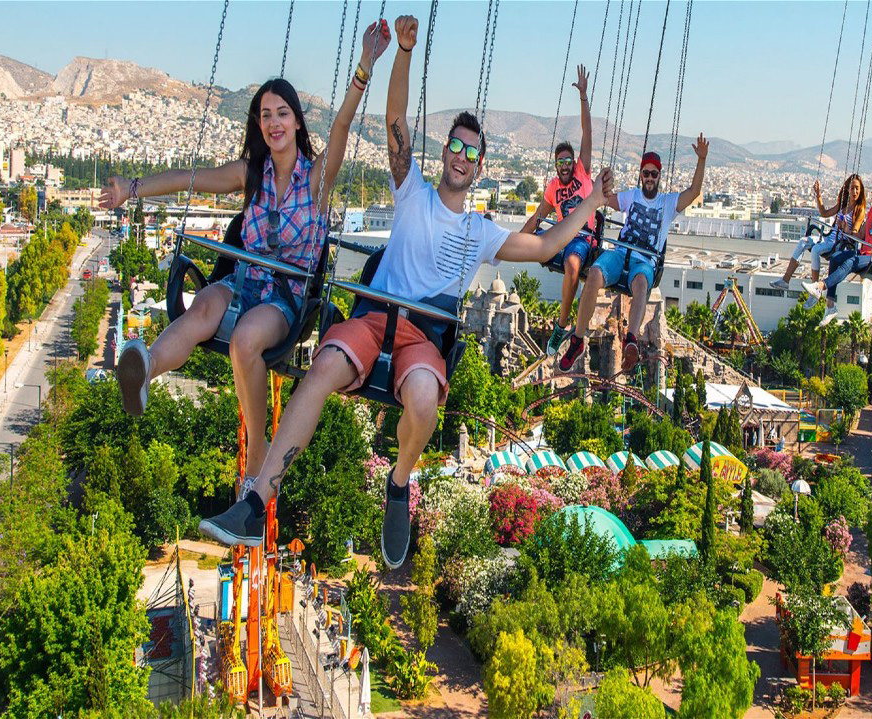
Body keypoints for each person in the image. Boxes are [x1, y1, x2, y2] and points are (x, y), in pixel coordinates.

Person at [198, 15, 613, 568]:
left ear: (480, 165)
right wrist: (405, 54)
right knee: (320, 371)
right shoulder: (411, 190)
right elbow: (395, 118)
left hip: (423, 337)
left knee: (421, 399)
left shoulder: (480, 231)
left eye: (471, 153)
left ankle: (399, 480)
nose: (461, 158)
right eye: (455, 148)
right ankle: (257, 502)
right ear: (444, 153)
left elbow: (543, 248)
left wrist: (590, 205)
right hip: (374, 320)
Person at [97, 22, 392, 480]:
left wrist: (364, 66)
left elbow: (342, 126)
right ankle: (144, 366)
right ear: (259, 125)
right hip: (244, 282)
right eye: (265, 115)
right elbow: (188, 179)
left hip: (286, 299)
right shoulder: (249, 174)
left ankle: (258, 456)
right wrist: (130, 189)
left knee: (243, 339)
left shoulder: (316, 181)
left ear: (296, 120)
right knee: (201, 310)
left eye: (281, 113)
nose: (273, 123)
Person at [560, 137, 709, 375]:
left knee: (641, 284)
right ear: (640, 175)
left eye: (654, 174)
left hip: (645, 260)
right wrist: (593, 184)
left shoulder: (668, 203)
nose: (649, 178)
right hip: (621, 252)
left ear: (659, 177)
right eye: (646, 174)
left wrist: (701, 159)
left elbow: (694, 192)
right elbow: (604, 200)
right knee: (594, 275)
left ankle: (630, 339)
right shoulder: (631, 197)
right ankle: (577, 340)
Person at [520, 65, 597, 356]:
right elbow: (537, 217)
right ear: (555, 166)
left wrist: (583, 98)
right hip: (560, 235)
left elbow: (587, 132)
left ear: (574, 162)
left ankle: (561, 326)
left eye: (568, 161)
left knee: (573, 267)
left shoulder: (582, 172)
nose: (565, 166)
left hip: (581, 236)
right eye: (560, 163)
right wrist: (512, 242)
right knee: (534, 237)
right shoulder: (553, 187)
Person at [802, 172, 872, 327]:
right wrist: (846, 229)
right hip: (866, 254)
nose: (871, 194)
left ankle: (820, 286)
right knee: (836, 258)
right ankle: (830, 306)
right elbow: (861, 234)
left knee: (851, 261)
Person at [770, 174, 866, 309]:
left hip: (838, 243)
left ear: (861, 190)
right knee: (803, 241)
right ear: (847, 190)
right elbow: (824, 213)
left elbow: (854, 233)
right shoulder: (842, 206)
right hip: (829, 238)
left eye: (857, 188)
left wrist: (845, 227)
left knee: (815, 249)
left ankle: (815, 291)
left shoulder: (859, 210)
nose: (854, 192)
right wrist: (818, 195)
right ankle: (786, 279)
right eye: (852, 188)